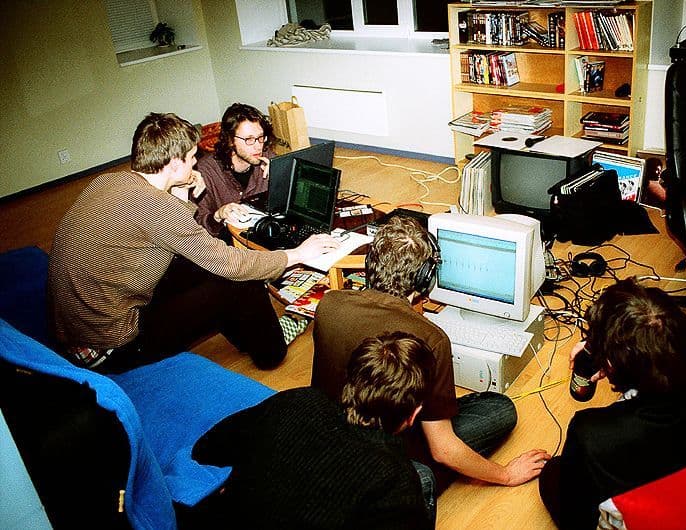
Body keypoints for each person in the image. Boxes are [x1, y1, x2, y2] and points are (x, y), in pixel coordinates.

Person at [47, 112, 339, 373]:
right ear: (174, 164)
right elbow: (229, 263)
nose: (195, 163)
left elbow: (172, 234)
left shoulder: (108, 181)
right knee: (239, 279)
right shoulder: (158, 209)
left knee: (203, 267)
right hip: (112, 347)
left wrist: (183, 192)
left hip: (77, 331)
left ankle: (249, 333)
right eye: (191, 158)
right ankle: (272, 351)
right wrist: (297, 254)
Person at [311, 216, 550, 518]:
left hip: (333, 435)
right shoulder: (430, 339)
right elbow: (442, 448)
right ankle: (416, 478)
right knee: (500, 409)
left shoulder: (329, 303)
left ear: (370, 262)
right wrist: (506, 474)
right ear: (425, 279)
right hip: (388, 447)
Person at [538, 278, 686, 529]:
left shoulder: (594, 435)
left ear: (610, 365)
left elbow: (576, 518)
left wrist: (610, 352)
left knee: (553, 473)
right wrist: (624, 350)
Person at [185, 332, 435, 529]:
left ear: (350, 381)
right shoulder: (395, 478)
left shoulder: (298, 400)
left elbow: (206, 448)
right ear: (413, 415)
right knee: (424, 478)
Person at [193, 103, 276, 239]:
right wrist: (218, 216)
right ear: (230, 140)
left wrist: (279, 178)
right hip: (225, 243)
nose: (258, 146)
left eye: (261, 137)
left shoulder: (269, 159)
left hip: (262, 235)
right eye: (249, 139)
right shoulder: (205, 170)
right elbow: (196, 226)